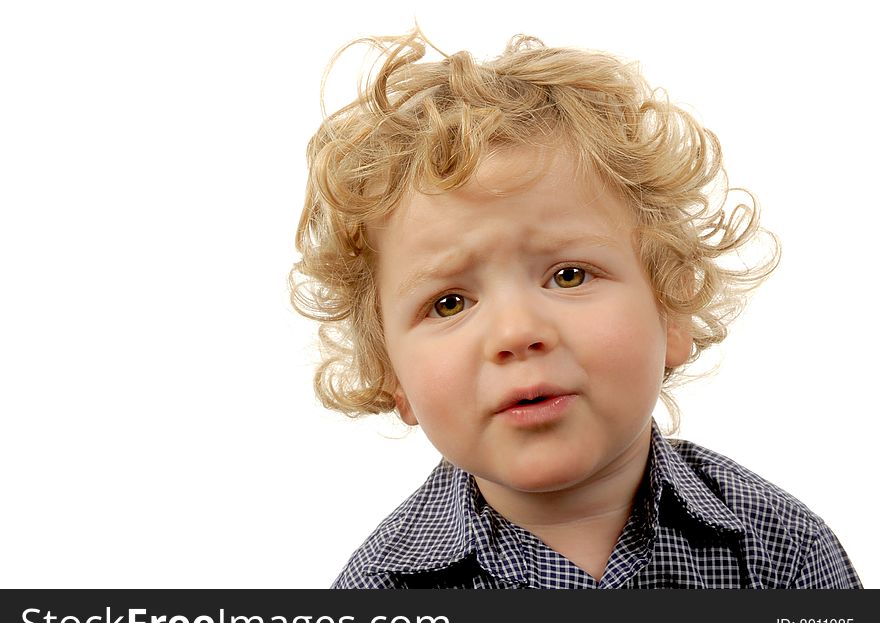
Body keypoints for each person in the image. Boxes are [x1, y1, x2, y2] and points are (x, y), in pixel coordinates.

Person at [289, 27, 862, 589]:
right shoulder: (385, 594)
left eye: (567, 275)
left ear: (672, 307)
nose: (515, 332)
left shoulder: (783, 553)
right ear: (392, 374)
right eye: (449, 303)